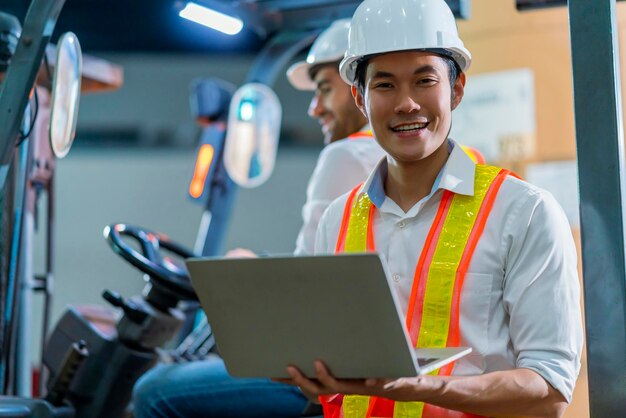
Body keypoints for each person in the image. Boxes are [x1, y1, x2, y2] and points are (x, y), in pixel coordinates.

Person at [283, 1, 583, 417]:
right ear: (360, 97)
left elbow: (549, 390)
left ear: (456, 89)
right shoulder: (337, 219)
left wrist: (425, 387)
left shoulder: (524, 213)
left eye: (424, 80)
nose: (406, 104)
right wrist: (313, 377)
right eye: (385, 85)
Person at [132, 19, 385, 418]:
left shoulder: (348, 154)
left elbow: (308, 288)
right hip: (366, 357)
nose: (314, 108)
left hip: (327, 377)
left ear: (360, 85)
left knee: (153, 391)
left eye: (323, 89)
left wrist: (249, 277)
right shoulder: (410, 162)